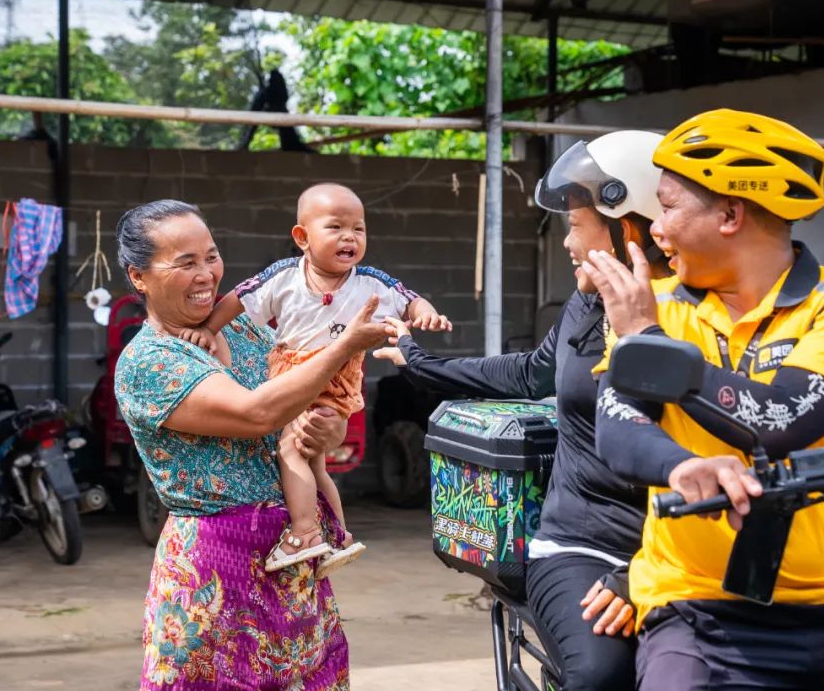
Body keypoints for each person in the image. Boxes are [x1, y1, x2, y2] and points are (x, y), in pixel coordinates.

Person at [583, 109, 824, 691]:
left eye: (670, 206)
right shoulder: (655, 305)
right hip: (694, 605)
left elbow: (784, 417)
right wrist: (682, 466)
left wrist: (648, 343)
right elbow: (619, 428)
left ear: (730, 213)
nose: (655, 227)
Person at [375, 131, 668, 690]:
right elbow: (531, 373)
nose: (567, 243)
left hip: (683, 549)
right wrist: (421, 364)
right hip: (584, 542)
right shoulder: (586, 305)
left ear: (626, 227)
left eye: (577, 226)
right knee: (601, 676)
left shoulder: (702, 312)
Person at [113, 199, 390, 690]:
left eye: (211, 256)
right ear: (139, 277)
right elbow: (257, 412)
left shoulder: (241, 326)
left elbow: (302, 404)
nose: (206, 274)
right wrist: (346, 344)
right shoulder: (148, 362)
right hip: (214, 574)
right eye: (186, 263)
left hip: (291, 561)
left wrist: (328, 430)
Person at [180, 183, 451, 575]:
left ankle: (305, 532)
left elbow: (408, 296)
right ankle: (338, 535)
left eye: (358, 229)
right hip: (291, 372)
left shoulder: (369, 282)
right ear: (302, 237)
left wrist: (426, 313)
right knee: (314, 462)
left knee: (290, 450)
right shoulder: (285, 277)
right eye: (336, 227)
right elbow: (239, 297)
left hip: (337, 376)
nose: (350, 237)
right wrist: (209, 328)